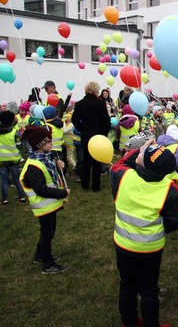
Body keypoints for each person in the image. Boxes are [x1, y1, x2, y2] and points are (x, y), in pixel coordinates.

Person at [111, 139, 178, 327]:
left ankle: (128, 322)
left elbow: (119, 163)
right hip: (150, 248)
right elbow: (176, 220)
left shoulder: (123, 177)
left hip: (123, 244)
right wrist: (159, 227)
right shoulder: (170, 189)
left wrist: (139, 150)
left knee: (127, 285)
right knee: (148, 289)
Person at [20, 125, 70, 274]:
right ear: (41, 144)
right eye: (49, 141)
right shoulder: (34, 166)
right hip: (44, 207)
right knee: (47, 233)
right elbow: (41, 189)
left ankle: (40, 255)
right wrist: (62, 193)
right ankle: (48, 264)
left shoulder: (46, 159)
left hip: (50, 206)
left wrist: (61, 167)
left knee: (48, 231)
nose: (52, 143)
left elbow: (53, 177)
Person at [71, 81, 111, 192]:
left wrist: (82, 128)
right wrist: (104, 133)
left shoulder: (79, 104)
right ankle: (95, 186)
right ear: (95, 91)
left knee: (86, 159)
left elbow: (74, 120)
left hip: (86, 134)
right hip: (98, 134)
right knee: (97, 160)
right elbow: (106, 121)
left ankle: (84, 183)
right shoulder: (100, 104)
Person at [0, 111, 25, 204]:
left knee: (4, 180)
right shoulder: (15, 132)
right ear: (11, 121)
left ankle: (4, 199)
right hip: (14, 158)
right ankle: (21, 196)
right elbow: (19, 144)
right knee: (16, 178)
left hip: (1, 160)